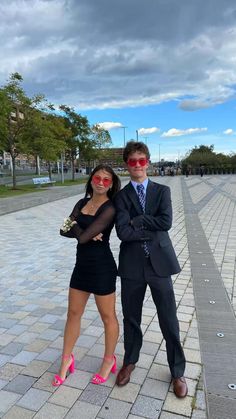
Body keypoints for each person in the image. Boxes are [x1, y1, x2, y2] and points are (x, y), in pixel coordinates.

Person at [114, 141, 187, 398]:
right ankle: (130, 361)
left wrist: (140, 220)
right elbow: (123, 232)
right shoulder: (121, 197)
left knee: (169, 319)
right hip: (132, 265)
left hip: (159, 265)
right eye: (132, 161)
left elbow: (165, 222)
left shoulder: (161, 191)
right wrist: (146, 228)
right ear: (126, 165)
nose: (137, 166)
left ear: (148, 162)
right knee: (131, 317)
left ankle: (177, 371)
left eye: (141, 161)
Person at [52, 164, 121, 387]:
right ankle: (66, 360)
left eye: (106, 180)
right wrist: (86, 233)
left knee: (107, 317)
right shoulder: (82, 203)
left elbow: (76, 233)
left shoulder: (110, 207)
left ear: (111, 184)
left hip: (102, 268)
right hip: (81, 267)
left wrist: (78, 229)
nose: (101, 182)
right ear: (91, 180)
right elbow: (63, 230)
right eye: (97, 178)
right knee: (73, 313)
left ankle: (109, 360)